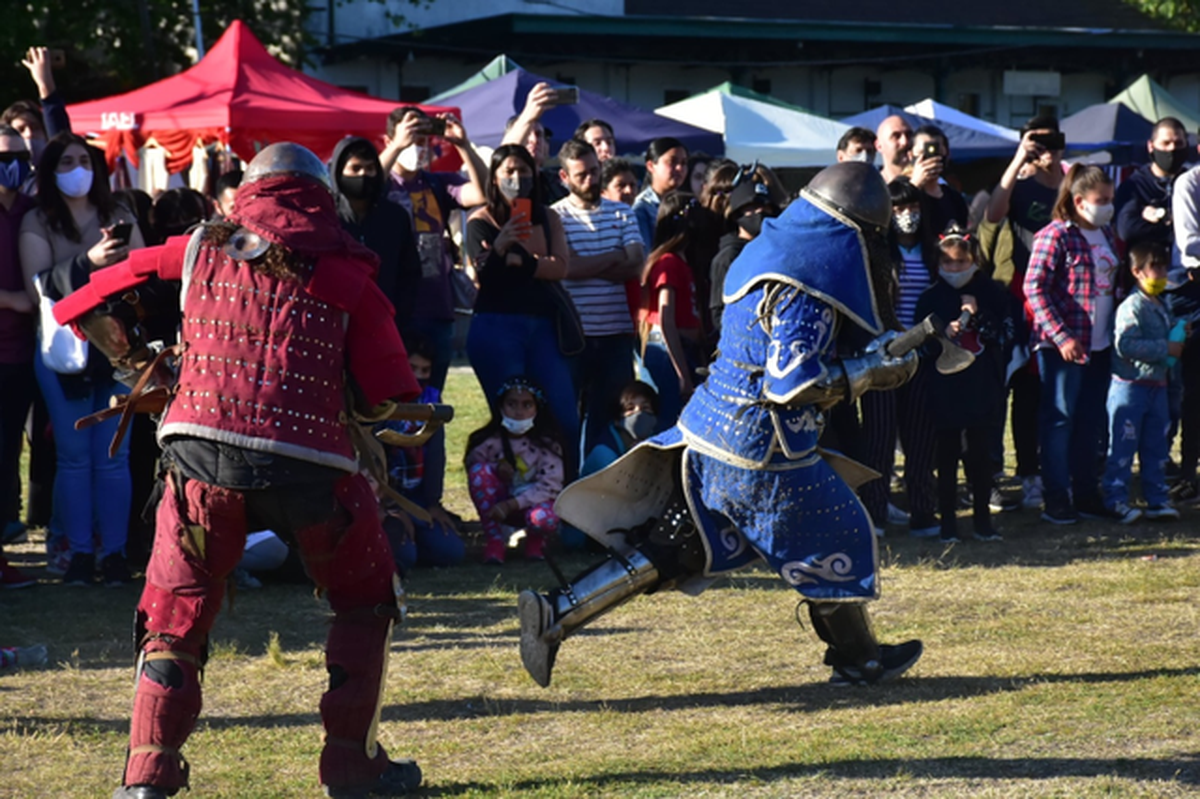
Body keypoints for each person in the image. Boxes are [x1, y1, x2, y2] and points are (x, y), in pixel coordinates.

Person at [51, 142, 425, 798]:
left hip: (200, 459)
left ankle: (147, 775)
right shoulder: (346, 274)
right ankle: (350, 766)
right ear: (322, 198)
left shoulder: (198, 247)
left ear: (249, 191)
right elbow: (388, 394)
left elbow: (81, 301)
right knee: (366, 602)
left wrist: (141, 362)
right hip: (312, 470)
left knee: (174, 615)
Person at [517, 162, 924, 690]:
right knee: (837, 528)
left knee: (680, 546)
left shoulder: (771, 253)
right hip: (762, 447)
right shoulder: (809, 278)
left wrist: (870, 353)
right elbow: (792, 383)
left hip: (711, 427)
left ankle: (558, 613)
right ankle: (861, 659)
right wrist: (870, 371)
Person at [18, 133, 145, 586]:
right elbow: (39, 288)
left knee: (114, 456)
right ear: (51, 171)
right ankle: (77, 555)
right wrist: (89, 262)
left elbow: (144, 273)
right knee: (74, 458)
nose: (78, 170)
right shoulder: (37, 220)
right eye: (67, 162)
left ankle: (112, 555)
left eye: (85, 161)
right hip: (63, 353)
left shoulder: (120, 215)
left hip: (117, 350)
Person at [463, 144, 580, 460]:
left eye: (524, 170)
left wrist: (524, 263)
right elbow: (483, 276)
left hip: (543, 327)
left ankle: (565, 492)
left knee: (564, 417)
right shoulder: (480, 221)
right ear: (494, 178)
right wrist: (502, 247)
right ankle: (511, 497)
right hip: (496, 327)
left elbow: (561, 266)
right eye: (509, 172)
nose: (517, 178)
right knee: (511, 420)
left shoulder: (549, 216)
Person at [1024, 164, 1119, 525]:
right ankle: (1056, 498)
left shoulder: (1108, 235)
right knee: (1059, 420)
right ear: (1079, 201)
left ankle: (1085, 494)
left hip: (1100, 345)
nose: (1107, 206)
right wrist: (1061, 336)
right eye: (1101, 200)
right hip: (1064, 345)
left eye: (1110, 199)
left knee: (1091, 422)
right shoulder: (1056, 235)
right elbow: (1034, 287)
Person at [985, 115, 1066, 510]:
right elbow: (993, 215)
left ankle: (1045, 472)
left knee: (1047, 391)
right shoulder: (1019, 185)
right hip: (1020, 296)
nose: (1046, 148)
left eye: (1053, 140)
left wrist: (1061, 168)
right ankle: (1016, 474)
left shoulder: (1071, 180)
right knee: (1017, 387)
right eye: (1038, 141)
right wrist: (1019, 160)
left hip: (1063, 294)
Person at [915, 224, 1012, 543]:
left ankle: (983, 522)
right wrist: (943, 334)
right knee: (946, 457)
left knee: (980, 457)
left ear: (973, 261)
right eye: (948, 263)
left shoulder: (992, 292)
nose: (955, 269)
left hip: (981, 388)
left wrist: (979, 316)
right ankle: (948, 525)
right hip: (944, 389)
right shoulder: (930, 297)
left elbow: (1007, 334)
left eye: (961, 262)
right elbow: (920, 344)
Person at [381, 105, 488, 392]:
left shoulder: (438, 183)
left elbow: (482, 191)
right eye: (411, 139)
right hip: (393, 310)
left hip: (436, 309)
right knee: (391, 397)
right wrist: (397, 147)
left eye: (422, 141)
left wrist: (463, 145)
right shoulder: (383, 183)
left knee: (432, 399)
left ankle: (430, 440)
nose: (417, 148)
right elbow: (360, 189)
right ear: (388, 140)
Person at [858, 177, 939, 537]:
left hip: (922, 355)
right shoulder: (877, 252)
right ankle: (874, 512)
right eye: (901, 208)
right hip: (884, 356)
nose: (908, 215)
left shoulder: (932, 252)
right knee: (879, 437)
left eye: (914, 207)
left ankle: (923, 511)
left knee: (921, 438)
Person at [552, 139, 644, 453]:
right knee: (567, 416)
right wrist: (612, 256)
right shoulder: (556, 216)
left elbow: (635, 264)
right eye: (582, 175)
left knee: (609, 417)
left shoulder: (622, 213)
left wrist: (584, 265)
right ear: (564, 178)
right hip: (574, 335)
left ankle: (601, 480)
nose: (591, 179)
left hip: (616, 334)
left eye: (595, 170)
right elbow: (566, 269)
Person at [1101, 241, 1182, 522]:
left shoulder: (1163, 304)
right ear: (1137, 271)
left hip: (1158, 386)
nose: (1160, 273)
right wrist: (1165, 347)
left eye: (1163, 267)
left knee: (1156, 447)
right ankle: (1116, 499)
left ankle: (1157, 498)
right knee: (1123, 447)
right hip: (1130, 387)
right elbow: (1125, 344)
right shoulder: (1131, 307)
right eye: (1154, 268)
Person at [377, 337, 463, 572]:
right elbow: (374, 458)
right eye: (412, 368)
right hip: (384, 495)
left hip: (418, 497)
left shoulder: (431, 399)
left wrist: (433, 503)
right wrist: (390, 506)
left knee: (451, 551)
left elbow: (436, 454)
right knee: (404, 557)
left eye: (425, 370)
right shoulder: (381, 400)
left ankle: (416, 539)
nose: (418, 376)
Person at [465, 376, 565, 564]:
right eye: (512, 404)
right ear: (501, 407)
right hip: (498, 505)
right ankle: (495, 541)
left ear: (537, 408)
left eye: (527, 405)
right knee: (480, 472)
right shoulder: (487, 442)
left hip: (533, 506)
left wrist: (512, 504)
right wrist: (496, 469)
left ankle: (536, 542)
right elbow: (473, 467)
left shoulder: (548, 445)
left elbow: (550, 486)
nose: (519, 412)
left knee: (545, 517)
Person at [330, 136, 421, 332]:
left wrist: (400, 317)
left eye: (370, 168)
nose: (364, 175)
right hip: (335, 322)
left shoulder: (395, 217)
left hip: (385, 323)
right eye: (355, 168)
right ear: (339, 172)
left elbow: (409, 273)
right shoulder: (326, 217)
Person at [0, 125, 37, 587]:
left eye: (21, 156)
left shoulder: (33, 210)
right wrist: (13, 299)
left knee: (10, 456)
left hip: (24, 353)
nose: (12, 164)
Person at [638, 191, 704, 430]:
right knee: (670, 422)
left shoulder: (682, 261)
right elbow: (666, 321)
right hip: (669, 352)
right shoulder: (668, 262)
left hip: (681, 349)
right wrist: (682, 374)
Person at [709, 172, 782, 332]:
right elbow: (718, 313)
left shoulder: (774, 251)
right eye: (753, 207)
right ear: (737, 214)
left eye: (766, 206)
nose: (761, 212)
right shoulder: (728, 257)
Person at [1115, 118, 1190, 250]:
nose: (1172, 148)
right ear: (1151, 146)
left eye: (1178, 143)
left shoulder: (1193, 183)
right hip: (1149, 264)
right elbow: (1127, 229)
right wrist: (1171, 226)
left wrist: (1157, 218)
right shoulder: (1134, 185)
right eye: (1165, 143)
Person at [502, 83, 569, 204]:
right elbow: (503, 158)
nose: (534, 140)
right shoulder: (502, 185)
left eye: (539, 134)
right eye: (527, 134)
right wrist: (528, 115)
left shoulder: (560, 183)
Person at [632, 137, 689, 249]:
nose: (679, 168)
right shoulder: (643, 209)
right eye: (672, 162)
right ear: (651, 166)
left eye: (684, 163)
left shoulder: (687, 204)